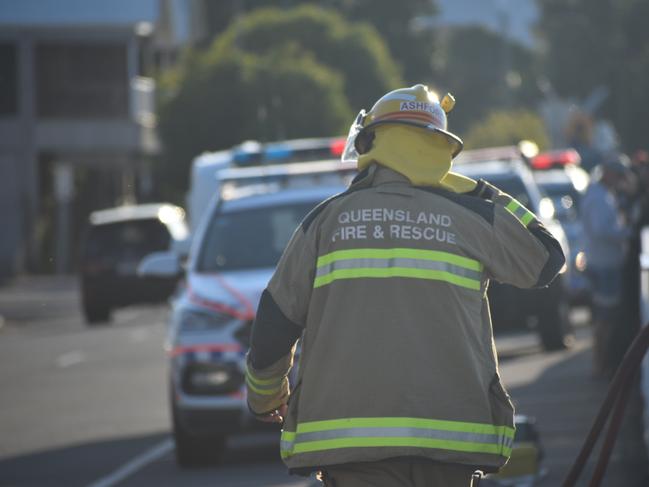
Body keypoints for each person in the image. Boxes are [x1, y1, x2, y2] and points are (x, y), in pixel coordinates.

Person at [245, 84, 565, 486]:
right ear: (441, 151)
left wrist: (264, 397)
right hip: (451, 440)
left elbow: (275, 320)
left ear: (372, 142)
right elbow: (546, 256)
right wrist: (479, 190)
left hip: (351, 445)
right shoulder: (471, 217)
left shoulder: (324, 222)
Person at [580, 155, 633, 377]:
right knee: (605, 320)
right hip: (604, 266)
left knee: (605, 319)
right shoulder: (598, 198)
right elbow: (602, 230)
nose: (619, 180)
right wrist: (627, 233)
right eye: (618, 175)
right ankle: (600, 365)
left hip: (605, 264)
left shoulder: (602, 195)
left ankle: (600, 364)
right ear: (608, 173)